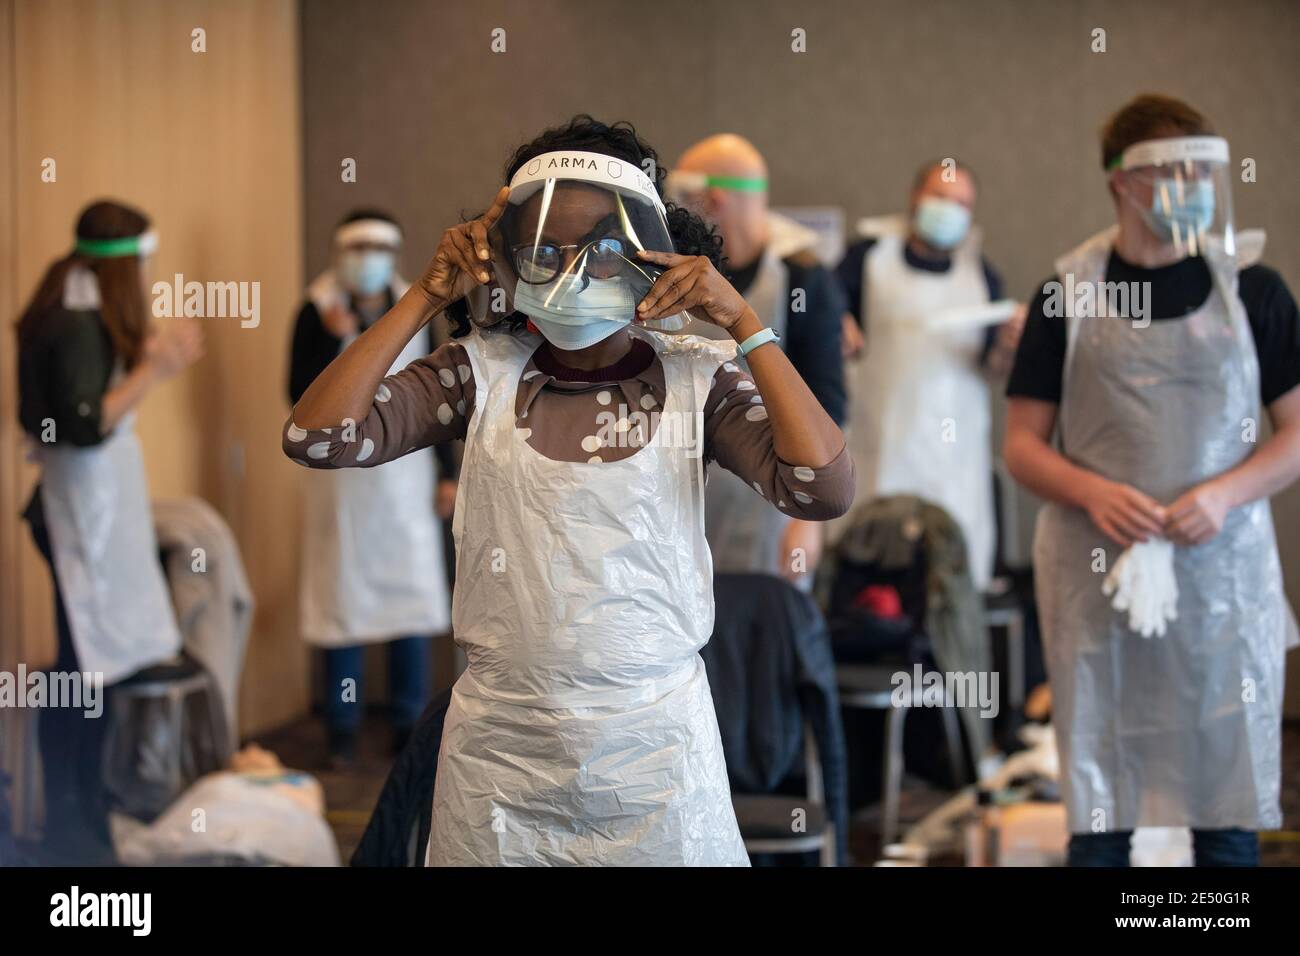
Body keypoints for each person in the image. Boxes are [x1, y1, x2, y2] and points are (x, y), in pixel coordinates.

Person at [282, 115, 855, 865]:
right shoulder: (475, 370)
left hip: (656, 758)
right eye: (544, 250)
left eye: (604, 248)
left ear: (651, 253)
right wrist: (426, 295)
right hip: (502, 762)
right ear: (507, 259)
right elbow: (316, 436)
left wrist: (743, 324)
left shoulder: (699, 377)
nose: (572, 271)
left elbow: (823, 488)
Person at [1003, 94, 1300, 866]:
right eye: (1173, 171)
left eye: (1204, 172)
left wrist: (1224, 493)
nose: (1192, 187)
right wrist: (1092, 490)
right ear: (1121, 184)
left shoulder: (1255, 291)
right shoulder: (1066, 292)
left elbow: (1297, 433)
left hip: (1223, 579)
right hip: (1094, 575)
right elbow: (1023, 446)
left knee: (1225, 804)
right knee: (1102, 800)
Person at [16, 200, 203, 862]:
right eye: (145, 264)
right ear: (126, 265)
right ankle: (70, 824)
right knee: (82, 674)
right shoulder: (71, 319)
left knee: (90, 670)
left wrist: (142, 358)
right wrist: (155, 368)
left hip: (84, 514)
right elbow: (84, 422)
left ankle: (84, 808)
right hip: (70, 520)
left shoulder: (76, 302)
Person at [287, 210, 455, 763]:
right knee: (344, 605)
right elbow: (295, 395)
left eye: (376, 247)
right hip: (342, 491)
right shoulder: (314, 310)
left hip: (405, 481)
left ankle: (409, 724)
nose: (366, 258)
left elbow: (441, 392)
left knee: (407, 604)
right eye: (355, 246)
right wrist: (335, 341)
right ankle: (342, 729)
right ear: (339, 252)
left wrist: (448, 474)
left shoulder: (416, 304)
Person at [667, 134, 847, 586]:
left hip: (771, 503)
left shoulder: (804, 279)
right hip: (680, 494)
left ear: (713, 199)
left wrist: (808, 523)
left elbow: (827, 401)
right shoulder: (671, 272)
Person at [834, 160, 1023, 591]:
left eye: (962, 203)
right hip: (879, 450)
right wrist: (837, 323)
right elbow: (829, 318)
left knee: (949, 586)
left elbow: (995, 367)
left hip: (955, 464)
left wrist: (1010, 344)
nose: (950, 209)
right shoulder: (867, 259)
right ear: (914, 198)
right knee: (872, 585)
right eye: (941, 197)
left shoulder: (984, 276)